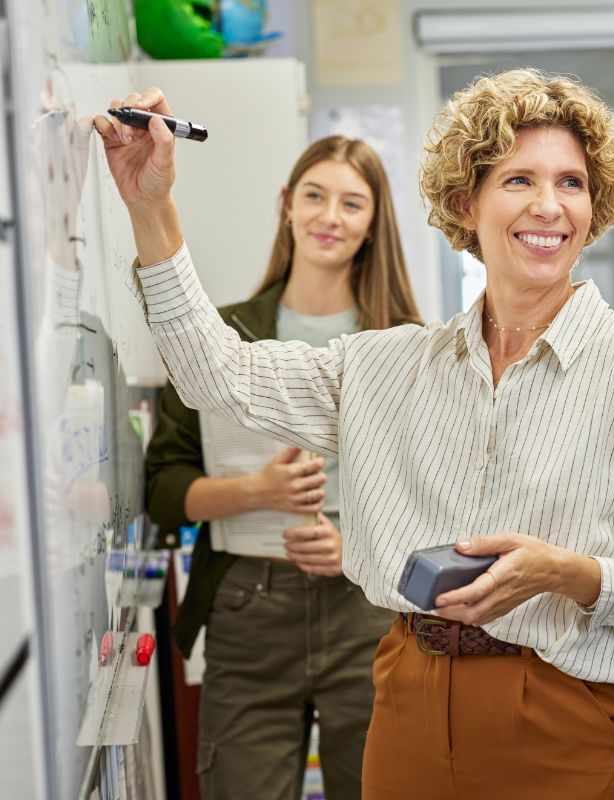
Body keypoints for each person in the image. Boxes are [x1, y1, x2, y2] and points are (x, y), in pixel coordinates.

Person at [96, 69, 614, 800]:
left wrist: (571, 573)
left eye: (572, 184)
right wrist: (151, 208)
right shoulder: (388, 365)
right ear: (467, 201)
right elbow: (216, 373)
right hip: (408, 702)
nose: (549, 206)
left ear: (594, 209)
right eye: (519, 180)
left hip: (568, 715)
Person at [144, 134, 420, 799]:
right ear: (286, 205)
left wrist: (353, 546)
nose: (331, 217)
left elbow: (439, 503)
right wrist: (253, 491)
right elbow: (160, 489)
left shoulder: (408, 346)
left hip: (366, 611)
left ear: (374, 222)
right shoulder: (222, 336)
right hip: (247, 609)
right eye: (315, 196)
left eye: (352, 203)